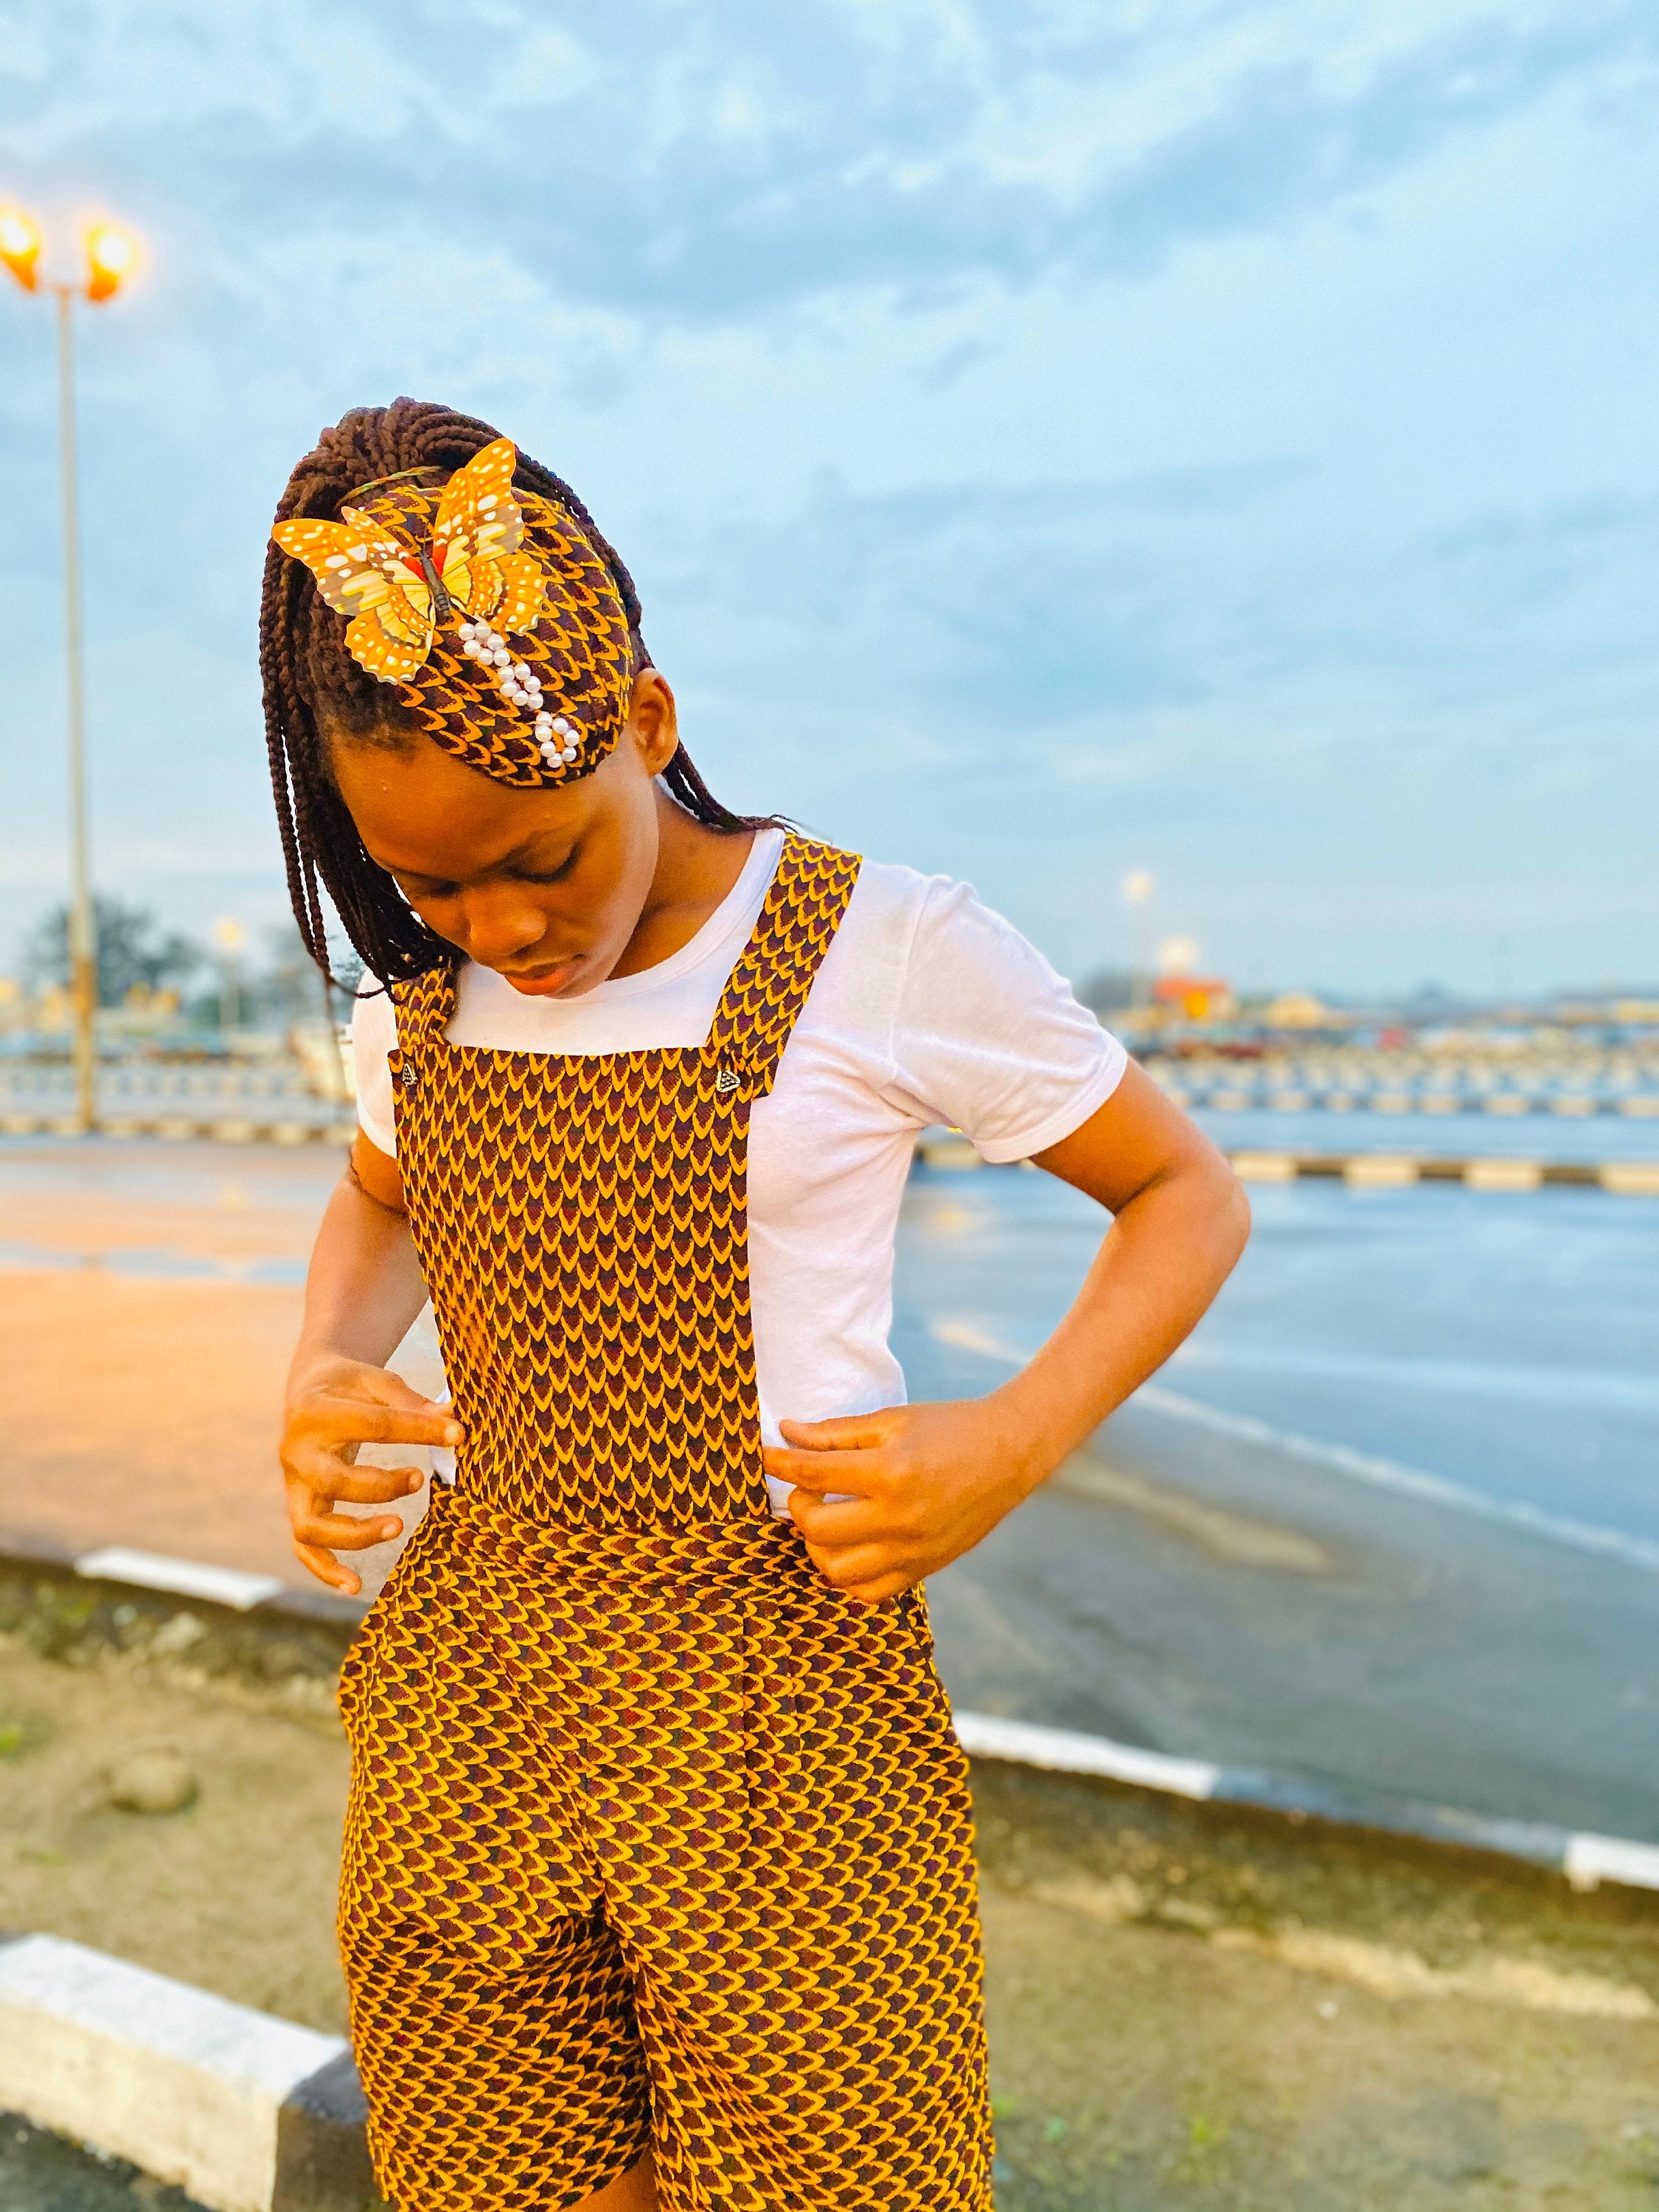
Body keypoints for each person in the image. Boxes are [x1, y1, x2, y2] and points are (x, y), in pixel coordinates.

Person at [266, 397, 1249, 2212]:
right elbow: (379, 1198)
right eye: (425, 881)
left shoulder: (881, 948)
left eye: (541, 858)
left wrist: (1008, 1443)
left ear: (646, 722)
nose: (497, 929)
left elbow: (1183, 1196)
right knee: (495, 2177)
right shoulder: (422, 1009)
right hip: (476, 1680)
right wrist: (326, 1367)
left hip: (784, 1700)